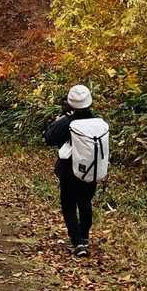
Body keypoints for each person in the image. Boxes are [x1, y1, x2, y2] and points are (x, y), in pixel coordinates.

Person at [42, 84, 108, 258]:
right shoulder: (98, 123)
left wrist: (57, 121)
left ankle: (77, 241)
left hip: (69, 170)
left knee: (69, 204)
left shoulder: (67, 122)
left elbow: (49, 138)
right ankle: (84, 237)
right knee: (85, 202)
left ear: (70, 103)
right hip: (91, 169)